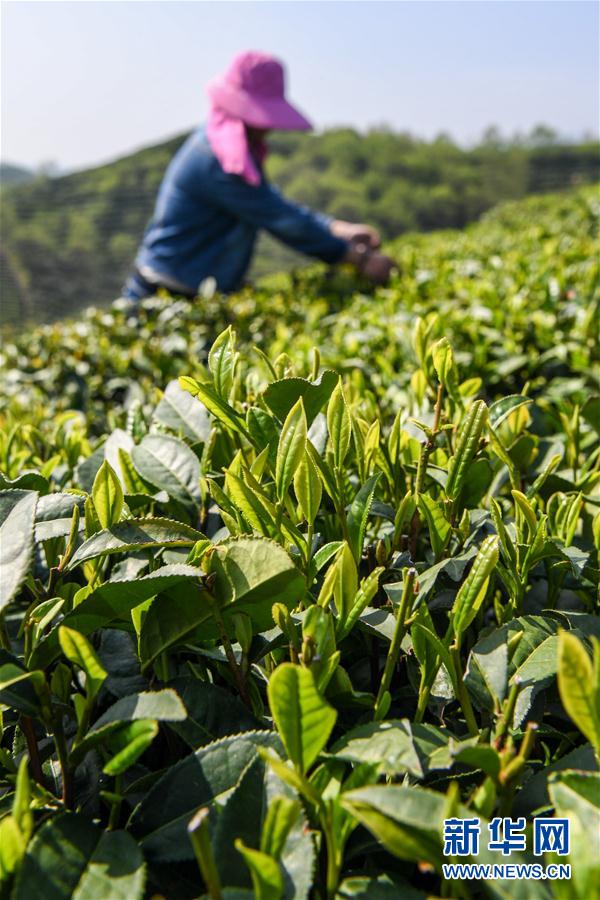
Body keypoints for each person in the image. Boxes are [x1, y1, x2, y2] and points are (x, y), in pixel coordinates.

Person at [122, 51, 395, 302]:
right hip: (165, 294)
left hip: (187, 291)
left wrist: (336, 228)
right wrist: (357, 258)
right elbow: (279, 219)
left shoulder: (231, 151)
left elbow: (271, 202)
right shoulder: (217, 159)